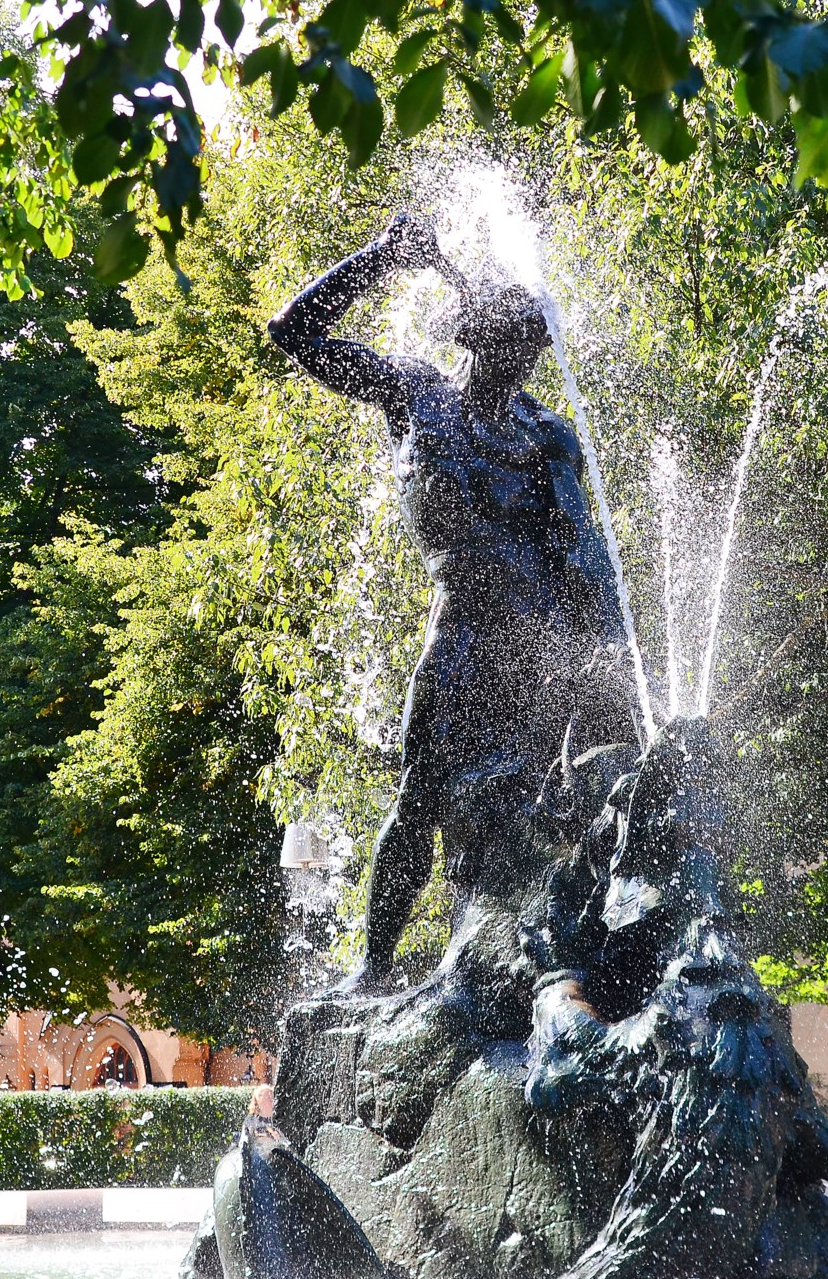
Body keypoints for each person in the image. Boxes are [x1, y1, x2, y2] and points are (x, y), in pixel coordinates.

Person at [268, 211, 642, 995]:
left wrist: (608, 654)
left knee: (531, 812)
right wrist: (379, 258)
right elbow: (294, 333)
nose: (525, 355)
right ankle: (375, 968)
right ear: (477, 336)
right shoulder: (416, 395)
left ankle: (528, 972)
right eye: (514, 339)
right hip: (463, 633)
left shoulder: (546, 437)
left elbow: (581, 549)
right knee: (420, 798)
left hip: (537, 649)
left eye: (533, 344)